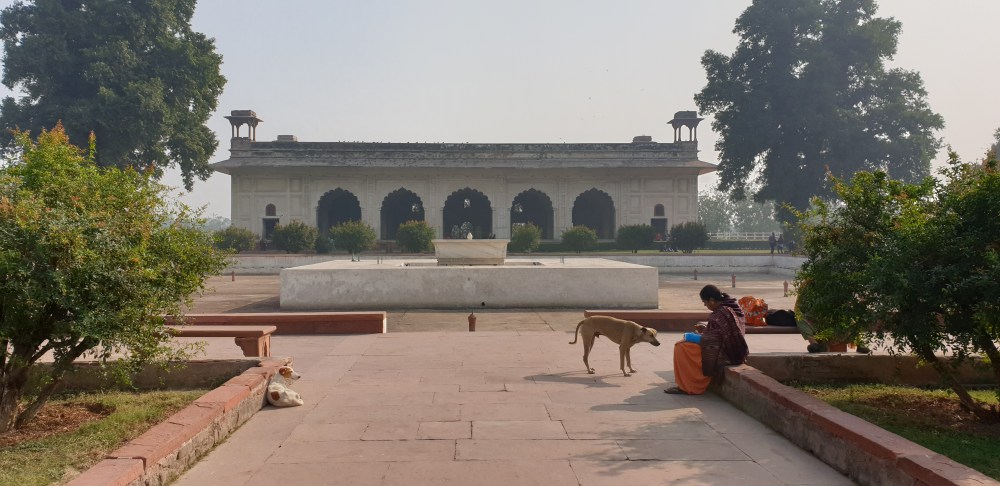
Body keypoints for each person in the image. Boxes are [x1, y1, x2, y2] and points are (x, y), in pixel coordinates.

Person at [665, 285, 750, 395]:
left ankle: (688, 386)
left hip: (727, 351)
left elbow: (718, 339)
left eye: (705, 302)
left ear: (712, 300)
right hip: (730, 346)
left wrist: (698, 337)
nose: (705, 305)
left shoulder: (723, 312)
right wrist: (705, 330)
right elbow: (720, 332)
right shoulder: (731, 306)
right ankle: (686, 383)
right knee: (683, 344)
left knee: (681, 347)